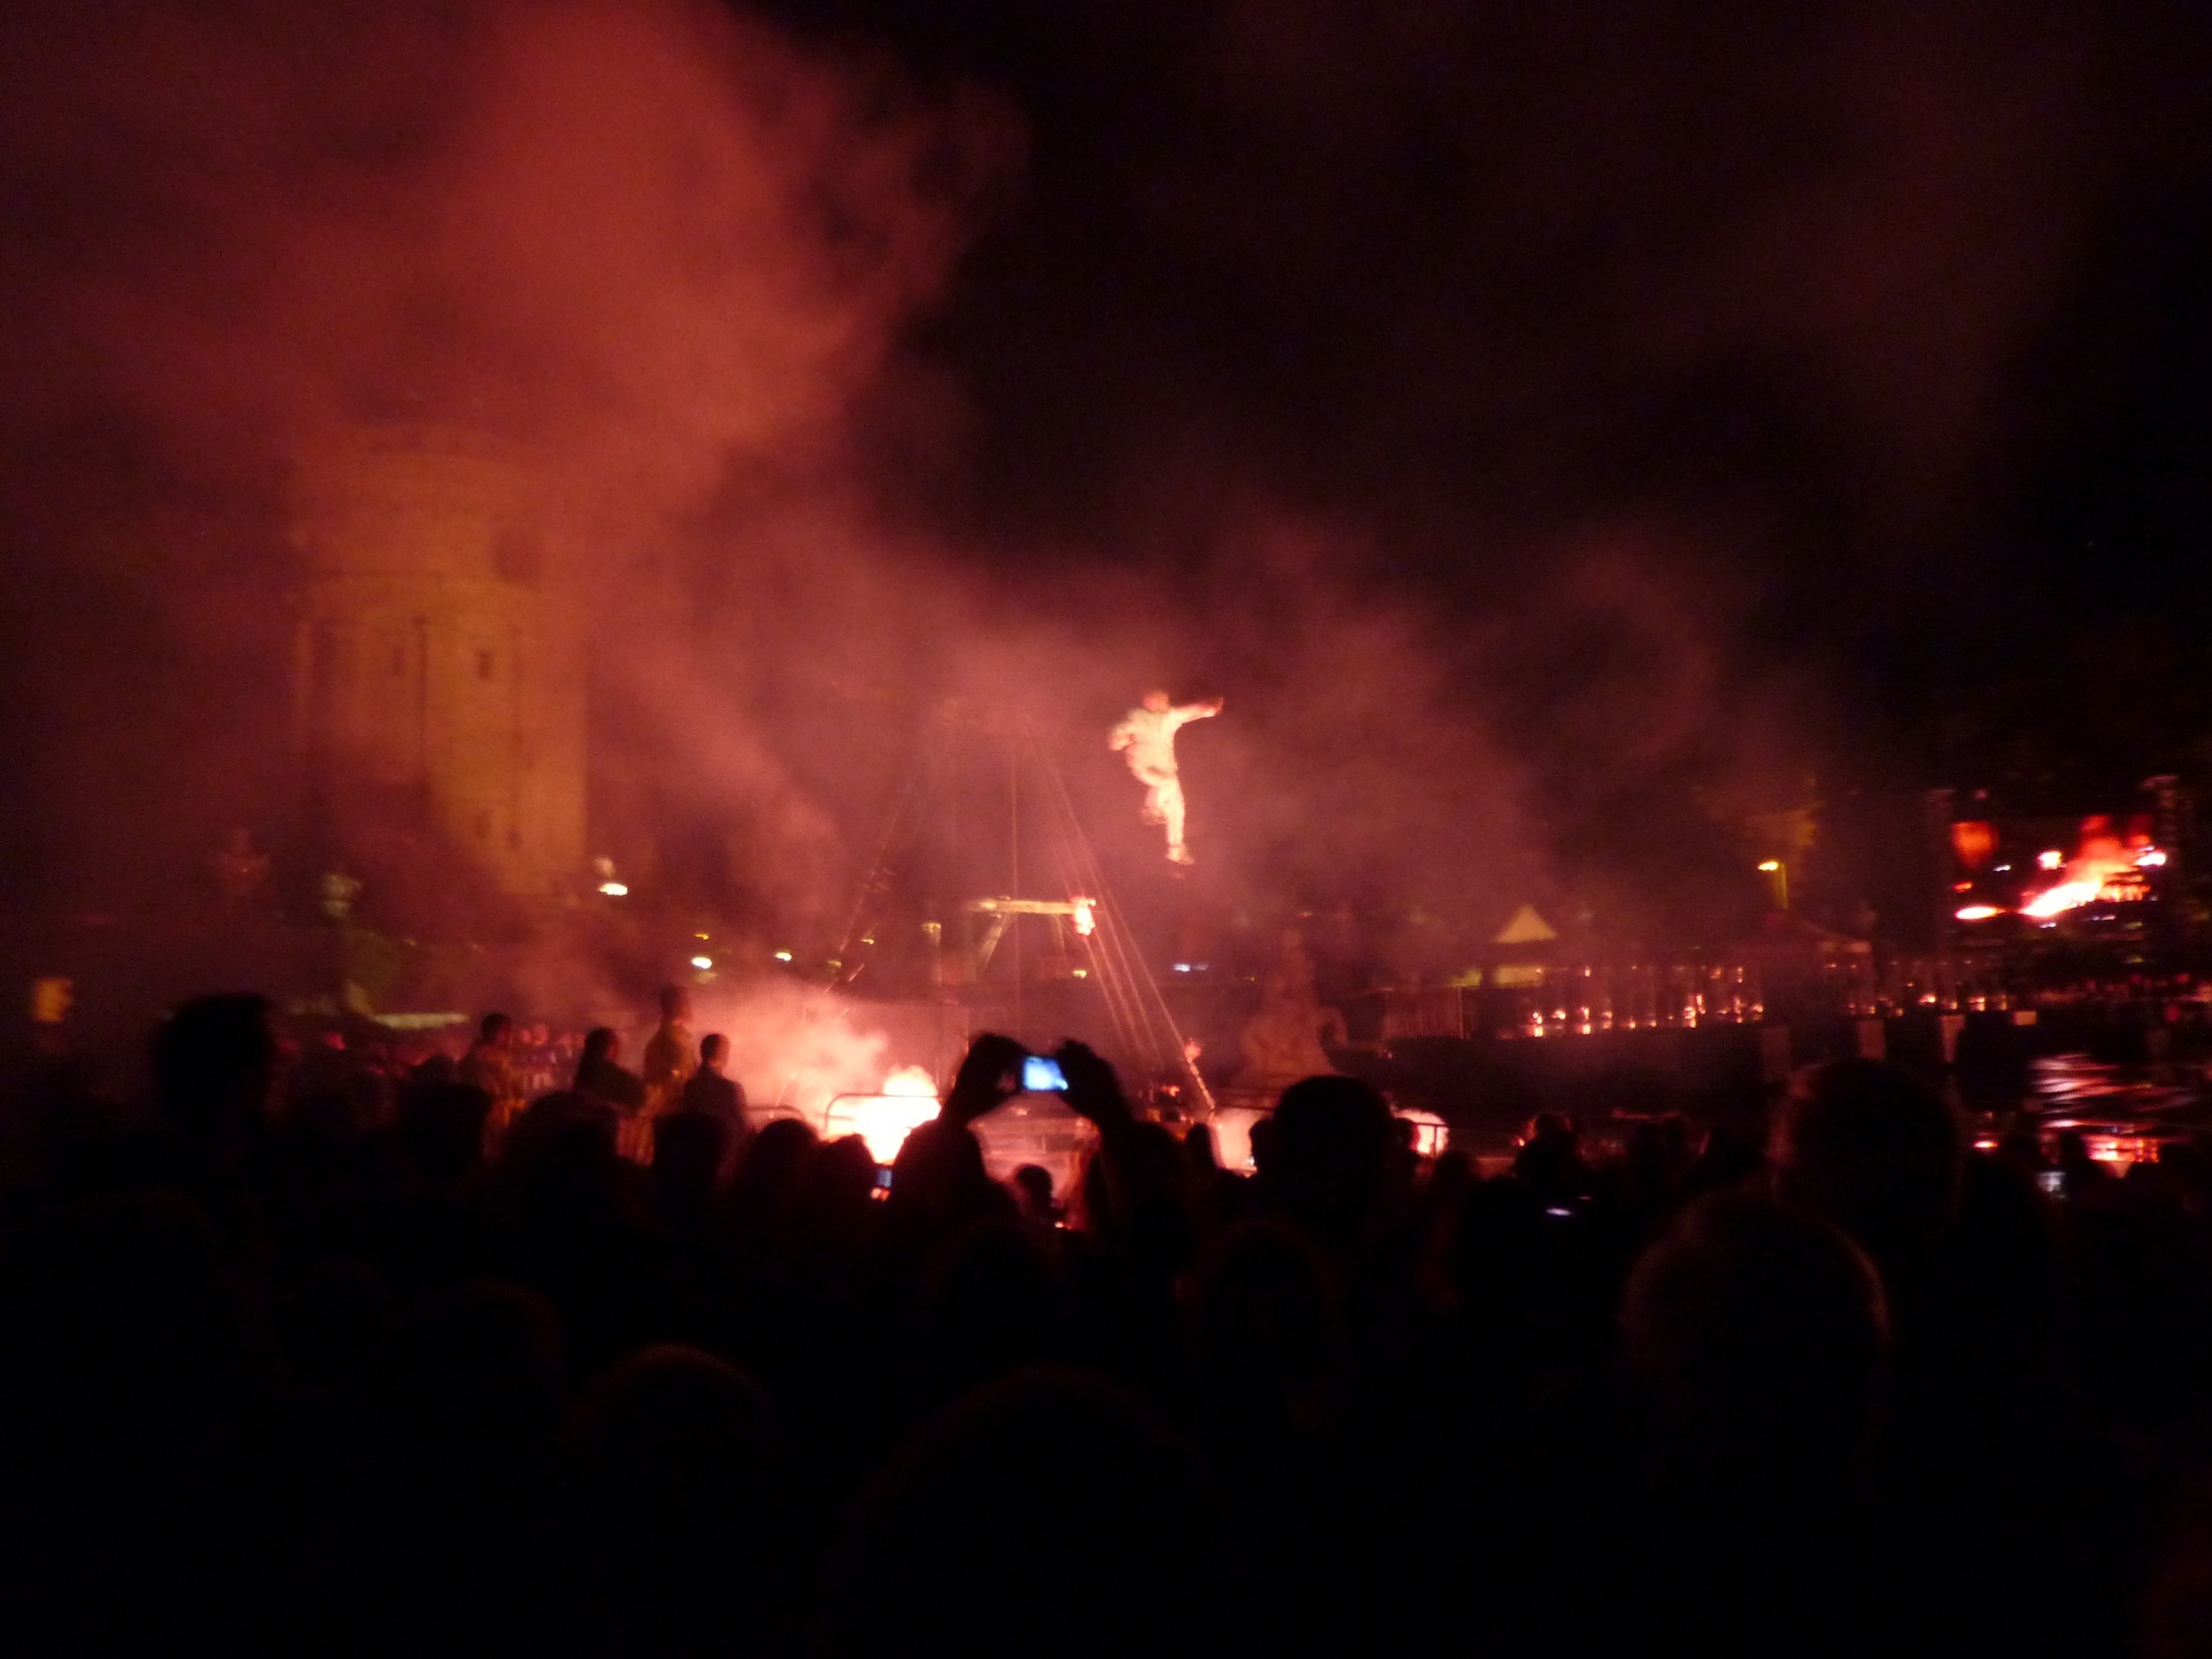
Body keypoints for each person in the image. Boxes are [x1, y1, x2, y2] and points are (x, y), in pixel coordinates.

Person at [1107, 689, 1221, 865]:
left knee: (1176, 807)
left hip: (1164, 770)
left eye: (1165, 701)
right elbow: (1115, 738)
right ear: (1150, 703)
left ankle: (1176, 848)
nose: (1165, 704)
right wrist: (1121, 741)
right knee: (1168, 782)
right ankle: (1152, 809)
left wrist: (1209, 708)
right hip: (1144, 767)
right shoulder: (1137, 719)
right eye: (1161, 701)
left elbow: (1190, 712)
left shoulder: (1169, 717)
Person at [459, 1013, 524, 1135]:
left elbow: (515, 1094)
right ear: (492, 1033)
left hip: (503, 1128)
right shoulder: (475, 1062)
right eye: (506, 1031)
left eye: (512, 1031)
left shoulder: (505, 1062)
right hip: (484, 1129)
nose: (511, 1036)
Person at [640, 986, 693, 1117]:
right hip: (671, 1112)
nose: (688, 1005)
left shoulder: (680, 1037)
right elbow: (656, 1084)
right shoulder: (665, 1041)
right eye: (684, 1001)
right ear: (673, 1005)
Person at [679, 1033, 746, 1130]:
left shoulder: (689, 1087)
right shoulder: (731, 1089)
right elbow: (744, 1126)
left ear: (702, 1054)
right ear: (724, 1056)